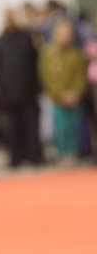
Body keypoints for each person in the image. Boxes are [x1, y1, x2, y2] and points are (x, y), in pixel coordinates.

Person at [0, 8, 43, 167]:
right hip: (8, 95)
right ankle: (15, 158)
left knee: (31, 127)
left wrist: (36, 86)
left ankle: (34, 157)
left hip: (28, 93)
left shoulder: (26, 39)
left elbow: (35, 64)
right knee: (12, 129)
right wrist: (3, 81)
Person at [38, 19, 87, 163]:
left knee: (73, 128)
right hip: (56, 98)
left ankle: (73, 154)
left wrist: (75, 92)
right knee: (59, 128)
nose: (65, 36)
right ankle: (60, 154)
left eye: (68, 33)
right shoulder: (48, 53)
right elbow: (46, 76)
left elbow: (81, 76)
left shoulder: (76, 54)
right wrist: (59, 94)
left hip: (74, 98)